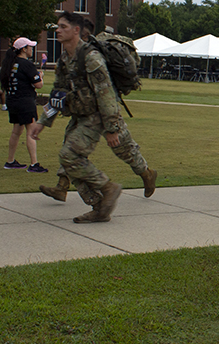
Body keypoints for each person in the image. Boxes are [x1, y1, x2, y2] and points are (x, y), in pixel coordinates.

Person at [31, 12, 155, 223]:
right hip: (82, 114)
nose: (57, 30)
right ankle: (99, 206)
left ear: (76, 30)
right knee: (71, 158)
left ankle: (114, 186)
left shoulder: (91, 58)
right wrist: (42, 122)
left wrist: (112, 127)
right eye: (57, 27)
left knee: (120, 149)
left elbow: (105, 94)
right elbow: (58, 93)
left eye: (63, 26)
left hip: (100, 115)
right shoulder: (64, 60)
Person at [0, 37, 47, 172]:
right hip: (25, 101)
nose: (31, 49)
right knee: (31, 132)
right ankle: (34, 164)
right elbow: (38, 85)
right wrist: (40, 76)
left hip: (12, 100)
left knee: (16, 131)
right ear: (24, 49)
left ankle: (10, 161)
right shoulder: (26, 64)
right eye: (30, 47)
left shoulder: (10, 64)